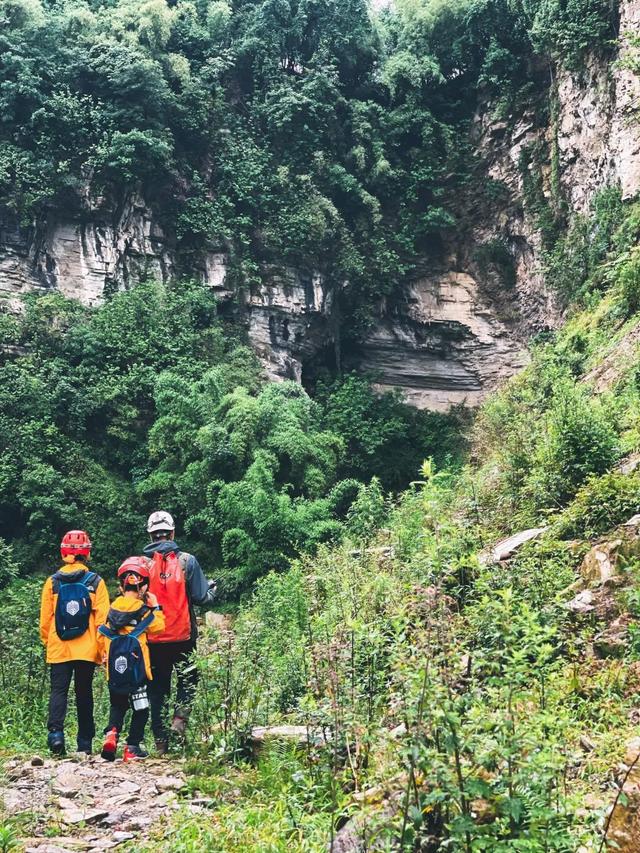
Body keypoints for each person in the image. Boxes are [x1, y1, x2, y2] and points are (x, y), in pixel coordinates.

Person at [143, 510, 216, 755]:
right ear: (173, 532)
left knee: (157, 690)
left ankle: (161, 744)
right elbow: (201, 596)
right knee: (188, 680)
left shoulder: (142, 565)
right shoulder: (187, 561)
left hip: (153, 639)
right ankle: (179, 721)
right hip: (184, 638)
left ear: (151, 535)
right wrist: (213, 590)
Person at [39, 530, 110, 756]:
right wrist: (102, 651)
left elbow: (44, 620)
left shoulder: (52, 582)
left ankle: (56, 736)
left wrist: (49, 642)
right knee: (84, 693)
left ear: (63, 552)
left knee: (58, 691)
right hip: (86, 648)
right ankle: (85, 743)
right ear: (87, 553)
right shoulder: (96, 582)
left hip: (59, 646)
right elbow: (102, 622)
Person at [98, 557, 165, 761]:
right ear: (143, 586)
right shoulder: (144, 611)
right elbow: (159, 627)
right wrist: (156, 607)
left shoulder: (111, 609)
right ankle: (132, 747)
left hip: (115, 671)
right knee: (141, 708)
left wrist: (103, 656)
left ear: (121, 586)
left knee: (117, 705)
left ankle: (111, 735)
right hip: (138, 672)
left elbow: (101, 634)